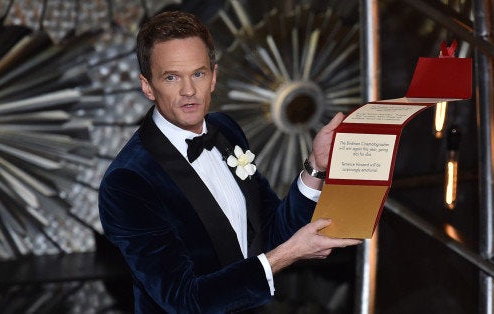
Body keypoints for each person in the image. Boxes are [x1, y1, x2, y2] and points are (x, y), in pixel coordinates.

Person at [98, 10, 362, 313]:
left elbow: (271, 231)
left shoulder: (225, 130)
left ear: (214, 76)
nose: (188, 91)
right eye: (171, 77)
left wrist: (315, 166)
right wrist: (287, 255)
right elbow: (185, 301)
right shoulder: (128, 182)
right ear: (147, 86)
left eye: (198, 74)